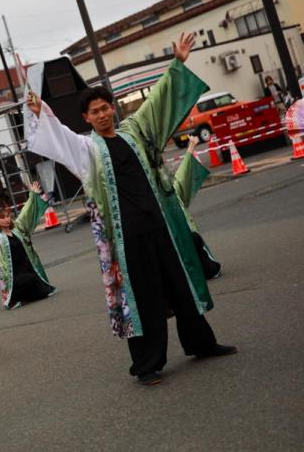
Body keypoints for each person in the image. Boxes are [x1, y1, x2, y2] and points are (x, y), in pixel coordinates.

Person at [25, 32, 236, 386]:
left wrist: (177, 64)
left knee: (180, 283)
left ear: (113, 108)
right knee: (142, 297)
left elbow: (156, 102)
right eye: (95, 111)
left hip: (160, 223)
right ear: (87, 118)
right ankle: (147, 364)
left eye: (106, 107)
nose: (103, 114)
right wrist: (42, 113)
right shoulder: (85, 149)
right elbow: (58, 137)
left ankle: (202, 342)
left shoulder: (133, 132)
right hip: (126, 236)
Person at [0, 183, 56, 309]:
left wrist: (33, 195)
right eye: (2, 218)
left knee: (39, 289)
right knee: (27, 282)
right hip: (14, 276)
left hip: (29, 268)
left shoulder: (18, 229)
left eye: (8, 216)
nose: (6, 219)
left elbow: (26, 212)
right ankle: (15, 296)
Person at [173, 140, 222, 280]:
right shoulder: (170, 191)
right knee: (194, 241)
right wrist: (190, 147)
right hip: (187, 234)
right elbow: (182, 176)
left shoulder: (169, 192)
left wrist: (191, 147)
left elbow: (181, 176)